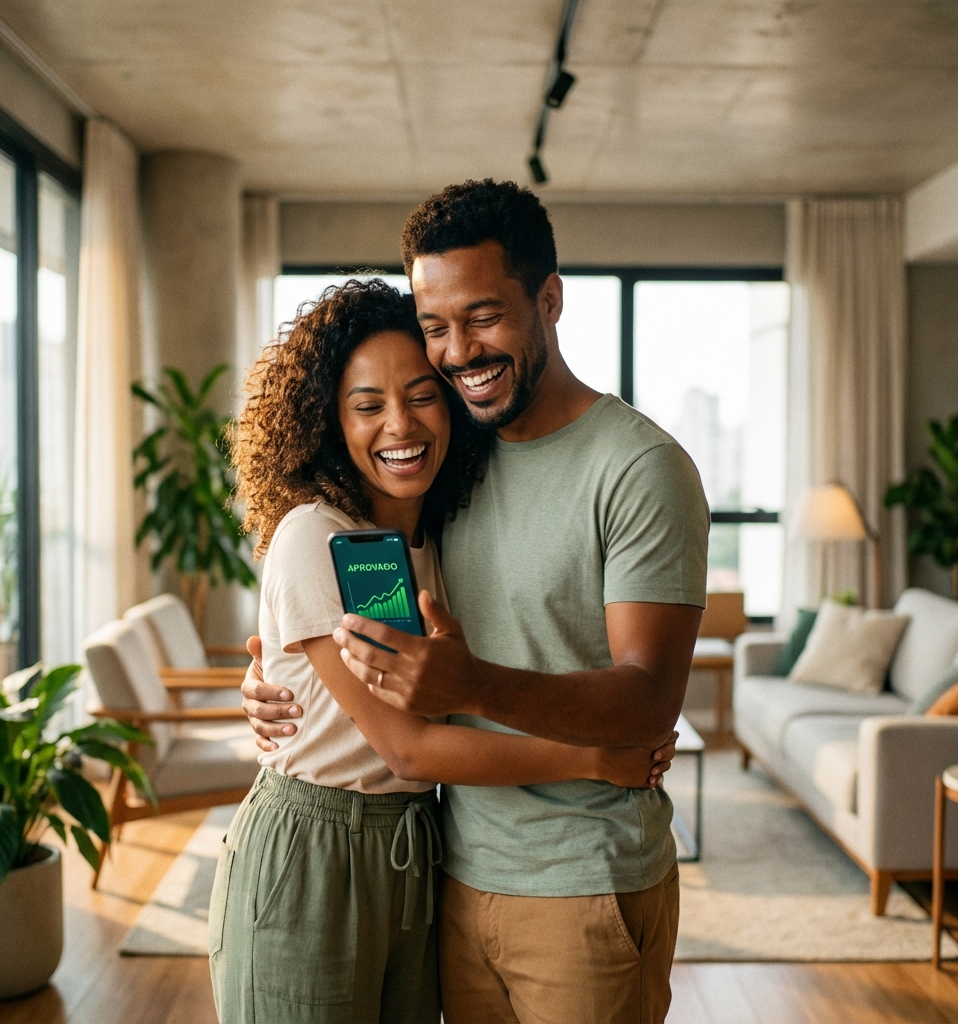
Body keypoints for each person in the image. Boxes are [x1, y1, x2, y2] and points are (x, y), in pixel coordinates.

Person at [244, 180, 710, 1024]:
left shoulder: (639, 469)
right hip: (447, 876)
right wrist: (283, 677)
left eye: (484, 316)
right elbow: (368, 666)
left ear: (549, 299)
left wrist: (471, 686)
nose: (458, 353)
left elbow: (650, 700)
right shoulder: (453, 461)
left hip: (584, 882)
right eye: (436, 328)